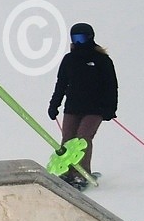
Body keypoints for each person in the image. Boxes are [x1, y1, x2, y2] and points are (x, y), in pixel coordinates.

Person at [48, 22, 118, 188]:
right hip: (73, 107)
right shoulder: (69, 59)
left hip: (95, 108)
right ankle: (66, 172)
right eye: (75, 39)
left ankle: (81, 174)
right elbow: (61, 84)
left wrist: (110, 108)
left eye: (81, 38)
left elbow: (111, 85)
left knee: (82, 139)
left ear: (90, 37)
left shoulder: (101, 60)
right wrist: (54, 105)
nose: (78, 42)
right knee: (68, 139)